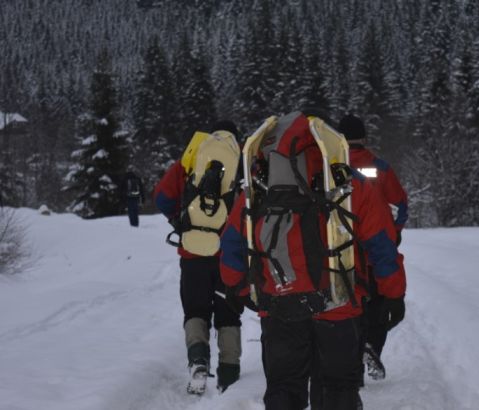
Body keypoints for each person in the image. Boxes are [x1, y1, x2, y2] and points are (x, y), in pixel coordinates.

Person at [219, 111, 406, 410]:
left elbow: (231, 244)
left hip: (278, 307)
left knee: (283, 389)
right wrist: (393, 294)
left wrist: (238, 289)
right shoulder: (350, 184)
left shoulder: (257, 190)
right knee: (337, 389)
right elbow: (381, 245)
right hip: (339, 305)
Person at [153, 120, 244, 394]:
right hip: (230, 255)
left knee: (195, 311)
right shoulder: (242, 163)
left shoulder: (191, 160)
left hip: (193, 253)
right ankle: (229, 376)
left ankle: (198, 362)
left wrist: (181, 222)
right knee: (229, 315)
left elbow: (162, 197)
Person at [337, 114, 409, 381]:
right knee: (379, 306)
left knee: (348, 308)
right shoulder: (379, 167)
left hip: (341, 252)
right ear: (364, 138)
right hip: (376, 248)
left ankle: (352, 362)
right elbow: (399, 204)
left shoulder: (330, 167)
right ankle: (371, 346)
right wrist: (395, 231)